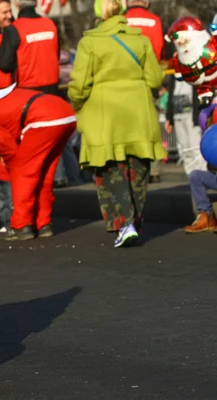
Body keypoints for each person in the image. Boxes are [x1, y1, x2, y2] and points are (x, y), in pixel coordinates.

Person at [68, 0, 166, 247]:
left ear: (99, 12)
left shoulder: (90, 42)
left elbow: (79, 86)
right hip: (138, 115)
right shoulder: (140, 39)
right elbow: (155, 79)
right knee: (138, 169)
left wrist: (77, 104)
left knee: (112, 170)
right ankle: (135, 221)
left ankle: (125, 223)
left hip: (105, 117)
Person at [0, 84, 76, 240]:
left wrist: (12, 166)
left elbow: (5, 144)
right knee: (44, 175)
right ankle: (43, 223)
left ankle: (21, 226)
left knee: (22, 173)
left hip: (43, 119)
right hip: (65, 113)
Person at [125, 0, 165, 183]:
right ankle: (154, 169)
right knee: (151, 125)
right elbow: (159, 52)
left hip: (126, 81)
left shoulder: (121, 20)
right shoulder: (155, 20)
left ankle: (132, 166)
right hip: (148, 80)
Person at [0, 0, 60, 95]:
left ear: (16, 4)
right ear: (35, 3)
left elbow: (4, 65)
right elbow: (56, 55)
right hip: (53, 87)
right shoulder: (50, 24)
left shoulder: (14, 29)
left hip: (27, 89)